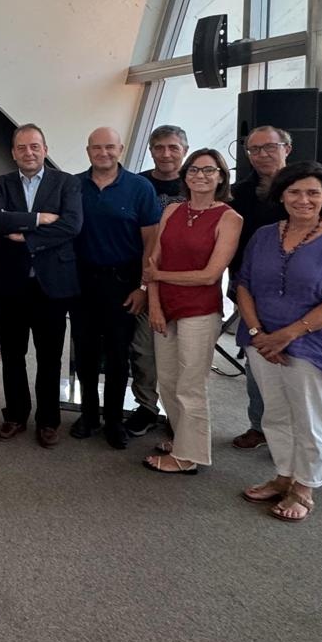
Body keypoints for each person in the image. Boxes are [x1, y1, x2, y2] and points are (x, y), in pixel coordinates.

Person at [235, 162, 322, 523]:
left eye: (312, 192)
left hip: (315, 343)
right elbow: (243, 284)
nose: (303, 200)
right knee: (275, 412)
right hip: (261, 341)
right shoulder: (263, 235)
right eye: (294, 191)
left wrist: (288, 334)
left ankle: (305, 487)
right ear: (281, 195)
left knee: (310, 417)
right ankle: (283, 475)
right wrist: (260, 334)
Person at [142, 148, 242, 474]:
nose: (200, 176)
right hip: (164, 306)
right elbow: (153, 262)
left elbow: (210, 275)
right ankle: (184, 438)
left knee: (191, 384)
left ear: (221, 177)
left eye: (209, 170)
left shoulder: (229, 218)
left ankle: (188, 457)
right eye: (194, 170)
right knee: (168, 381)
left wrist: (158, 277)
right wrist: (154, 304)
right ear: (185, 176)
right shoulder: (172, 210)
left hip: (199, 310)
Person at [0, 124, 83, 446]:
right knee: (13, 355)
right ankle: (15, 415)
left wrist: (25, 237)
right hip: (9, 284)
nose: (29, 152)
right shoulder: (0, 184)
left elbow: (71, 225)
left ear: (45, 148)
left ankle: (48, 420)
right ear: (13, 152)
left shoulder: (66, 183)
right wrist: (40, 219)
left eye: (35, 146)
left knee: (49, 357)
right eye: (22, 147)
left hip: (51, 286)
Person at [69, 126, 161, 448]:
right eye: (97, 147)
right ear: (88, 150)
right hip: (81, 282)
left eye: (110, 147)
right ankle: (90, 415)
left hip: (123, 283)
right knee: (85, 353)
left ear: (120, 149)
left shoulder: (140, 188)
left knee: (119, 354)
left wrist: (143, 287)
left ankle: (112, 420)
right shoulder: (73, 185)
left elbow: (151, 240)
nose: (103, 153)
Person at [228, 125, 292, 450]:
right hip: (250, 289)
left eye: (269, 147)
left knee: (297, 363)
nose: (262, 155)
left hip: (300, 293)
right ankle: (259, 424)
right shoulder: (238, 193)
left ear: (287, 149)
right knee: (257, 358)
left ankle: (293, 434)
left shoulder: (308, 187)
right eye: (254, 150)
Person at [127, 124, 188, 437]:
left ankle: (181, 414)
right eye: (160, 147)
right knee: (144, 351)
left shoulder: (196, 183)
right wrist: (142, 285)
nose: (166, 154)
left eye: (173, 148)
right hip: (146, 279)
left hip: (187, 283)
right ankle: (147, 407)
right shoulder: (137, 184)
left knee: (185, 354)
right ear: (150, 151)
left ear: (184, 151)